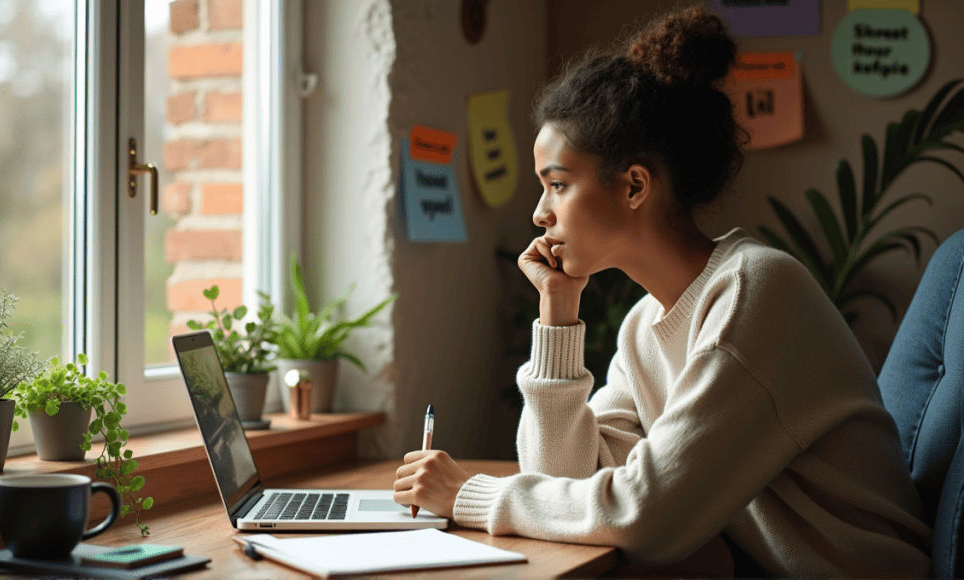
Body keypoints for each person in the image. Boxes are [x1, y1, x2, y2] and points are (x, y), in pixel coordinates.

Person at [393, 1, 932, 577]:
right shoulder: (644, 327)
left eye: (557, 185)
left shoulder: (754, 293)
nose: (539, 214)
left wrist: (471, 495)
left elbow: (644, 514)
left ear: (633, 187)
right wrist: (557, 314)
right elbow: (566, 486)